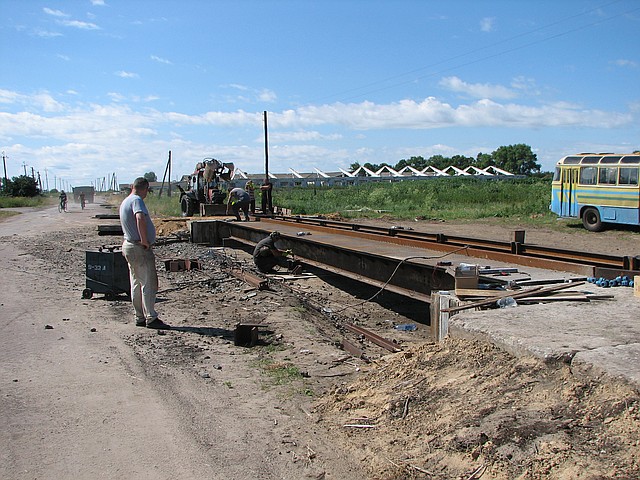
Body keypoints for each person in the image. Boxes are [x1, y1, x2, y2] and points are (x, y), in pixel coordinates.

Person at [119, 177, 168, 329]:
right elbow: (139, 217)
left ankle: (139, 316)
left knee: (136, 283)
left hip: (129, 245)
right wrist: (145, 240)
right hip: (139, 247)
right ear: (145, 188)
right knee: (149, 283)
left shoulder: (125, 201)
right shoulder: (137, 200)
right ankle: (151, 317)